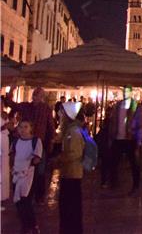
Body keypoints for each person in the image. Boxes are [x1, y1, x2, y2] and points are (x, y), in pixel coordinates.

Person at [4, 86, 55, 203]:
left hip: (39, 142)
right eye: (35, 94)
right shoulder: (26, 106)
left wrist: (51, 140)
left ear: (42, 97)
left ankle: (39, 196)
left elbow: (50, 126)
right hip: (26, 141)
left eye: (38, 95)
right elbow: (11, 104)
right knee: (26, 168)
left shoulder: (46, 109)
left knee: (40, 170)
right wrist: (11, 91)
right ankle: (26, 193)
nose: (36, 97)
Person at [106, 86, 142, 195]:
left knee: (134, 163)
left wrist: (138, 140)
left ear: (131, 93)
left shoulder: (136, 106)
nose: (125, 94)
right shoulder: (118, 105)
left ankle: (136, 186)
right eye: (124, 92)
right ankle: (114, 183)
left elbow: (140, 125)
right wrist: (111, 136)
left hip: (130, 139)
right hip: (118, 138)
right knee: (113, 161)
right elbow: (114, 121)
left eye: (127, 92)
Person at [57, 101, 85, 234]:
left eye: (62, 112)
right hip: (70, 173)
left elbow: (75, 153)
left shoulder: (73, 132)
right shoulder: (70, 130)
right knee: (70, 206)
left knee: (70, 206)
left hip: (72, 174)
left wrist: (60, 159)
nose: (59, 114)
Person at [11, 119, 42, 233]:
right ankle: (25, 225)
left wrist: (29, 162)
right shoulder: (16, 141)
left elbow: (37, 158)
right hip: (16, 174)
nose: (23, 130)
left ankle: (32, 225)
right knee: (18, 202)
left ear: (30, 128)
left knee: (26, 201)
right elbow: (13, 154)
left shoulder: (36, 141)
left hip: (29, 175)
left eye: (26, 127)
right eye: (21, 127)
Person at [1, 98, 12, 205]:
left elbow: (10, 128)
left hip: (4, 143)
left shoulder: (4, 115)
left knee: (4, 168)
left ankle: (2, 196)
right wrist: (4, 127)